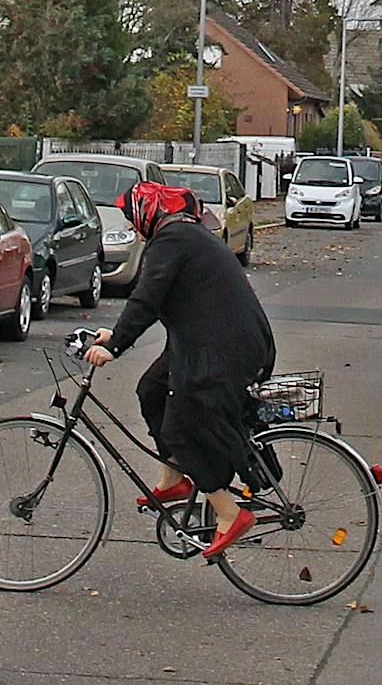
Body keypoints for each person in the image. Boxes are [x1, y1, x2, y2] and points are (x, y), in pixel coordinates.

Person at [83, 180, 276, 560]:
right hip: (210, 340)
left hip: (226, 349)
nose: (133, 227)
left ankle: (229, 512)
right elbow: (165, 297)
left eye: (132, 217)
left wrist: (116, 346)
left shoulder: (172, 239)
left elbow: (148, 296)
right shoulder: (181, 234)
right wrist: (114, 334)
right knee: (151, 390)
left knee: (181, 426)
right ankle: (174, 478)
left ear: (148, 212)